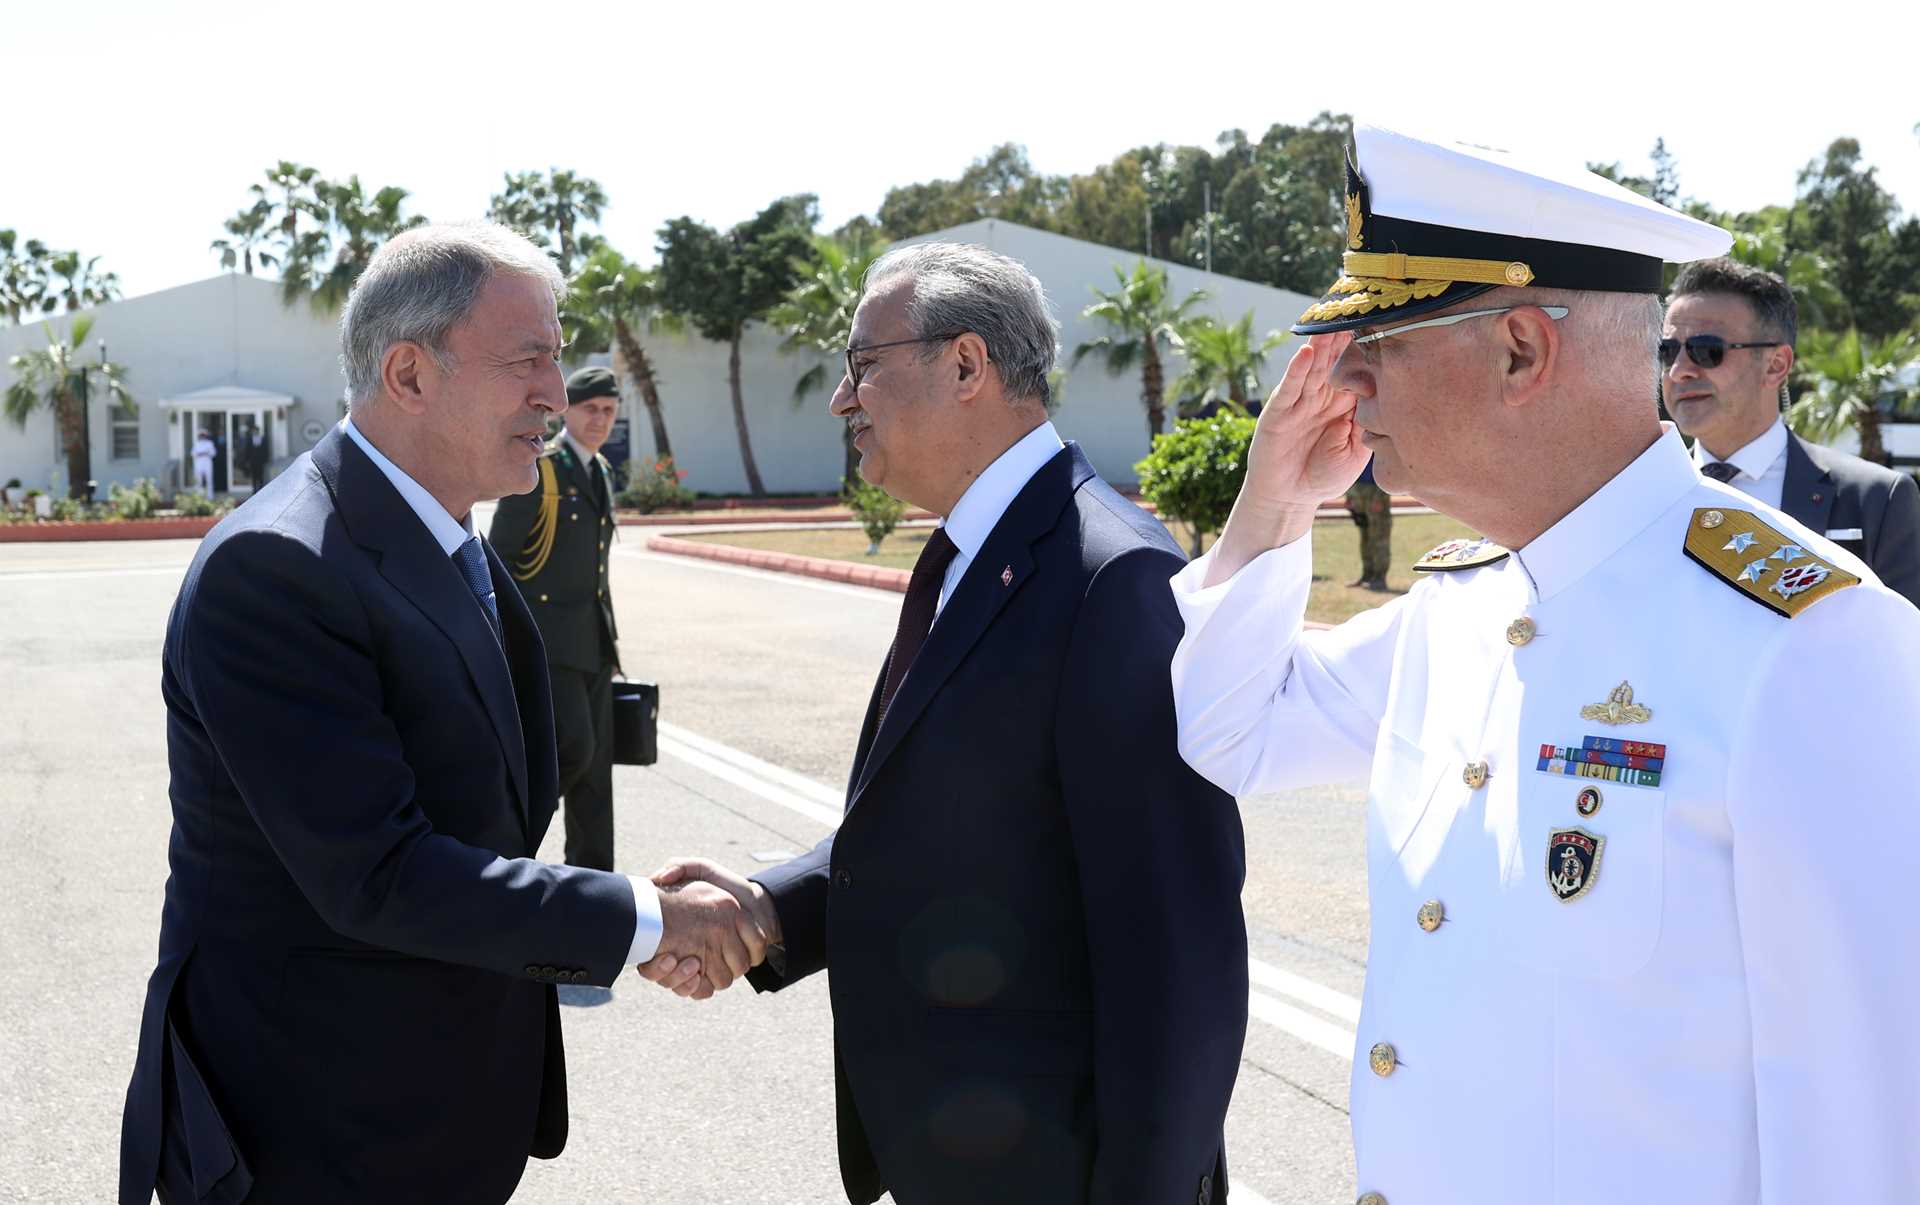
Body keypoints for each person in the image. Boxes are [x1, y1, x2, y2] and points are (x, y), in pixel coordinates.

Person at [1168, 123, 1920, 1204]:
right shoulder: (1464, 602)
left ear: (1522, 349)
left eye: (1378, 343)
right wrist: (1275, 503)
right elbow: (1230, 731)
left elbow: (1866, 1124)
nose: (1351, 385)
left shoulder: (1809, 640)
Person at [118, 223, 762, 1205]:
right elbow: (377, 873)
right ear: (410, 374)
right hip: (314, 1136)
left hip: (433, 1119)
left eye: (555, 355)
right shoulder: (280, 568)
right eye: (527, 360)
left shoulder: (450, 537)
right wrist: (644, 916)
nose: (555, 392)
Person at [640, 242, 1249, 1205]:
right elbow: (953, 828)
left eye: (865, 364)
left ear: (967, 364)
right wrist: (768, 907)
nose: (844, 398)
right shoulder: (971, 553)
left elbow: (1178, 950)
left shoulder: (1112, 577)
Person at [1663, 256, 1920, 607]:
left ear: (1776, 365)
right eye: (1667, 351)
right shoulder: (1644, 496)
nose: (1679, 371)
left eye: (1707, 350)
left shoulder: (1875, 500)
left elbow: (1903, 649)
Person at [489, 366, 623, 873]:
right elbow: (499, 558)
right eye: (591, 409)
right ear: (569, 409)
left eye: (609, 411)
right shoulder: (542, 470)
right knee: (574, 750)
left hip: (593, 641)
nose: (600, 420)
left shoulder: (601, 472)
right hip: (548, 642)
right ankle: (504, 846)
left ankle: (594, 884)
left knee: (597, 776)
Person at [1343, 457, 1392, 588]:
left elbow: (1387, 470)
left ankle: (1379, 578)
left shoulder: (1378, 439)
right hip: (1359, 493)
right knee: (1365, 539)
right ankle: (1367, 575)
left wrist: (1380, 497)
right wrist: (1349, 496)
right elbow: (1351, 469)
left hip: (1375, 493)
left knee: (1379, 540)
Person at [190, 428, 215, 496]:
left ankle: (210, 496)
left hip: (207, 463)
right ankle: (199, 496)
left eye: (204, 435)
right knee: (199, 480)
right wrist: (200, 454)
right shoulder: (197, 444)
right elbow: (193, 453)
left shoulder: (209, 443)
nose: (202, 437)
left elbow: (213, 453)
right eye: (201, 435)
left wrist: (206, 453)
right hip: (199, 463)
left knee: (209, 479)